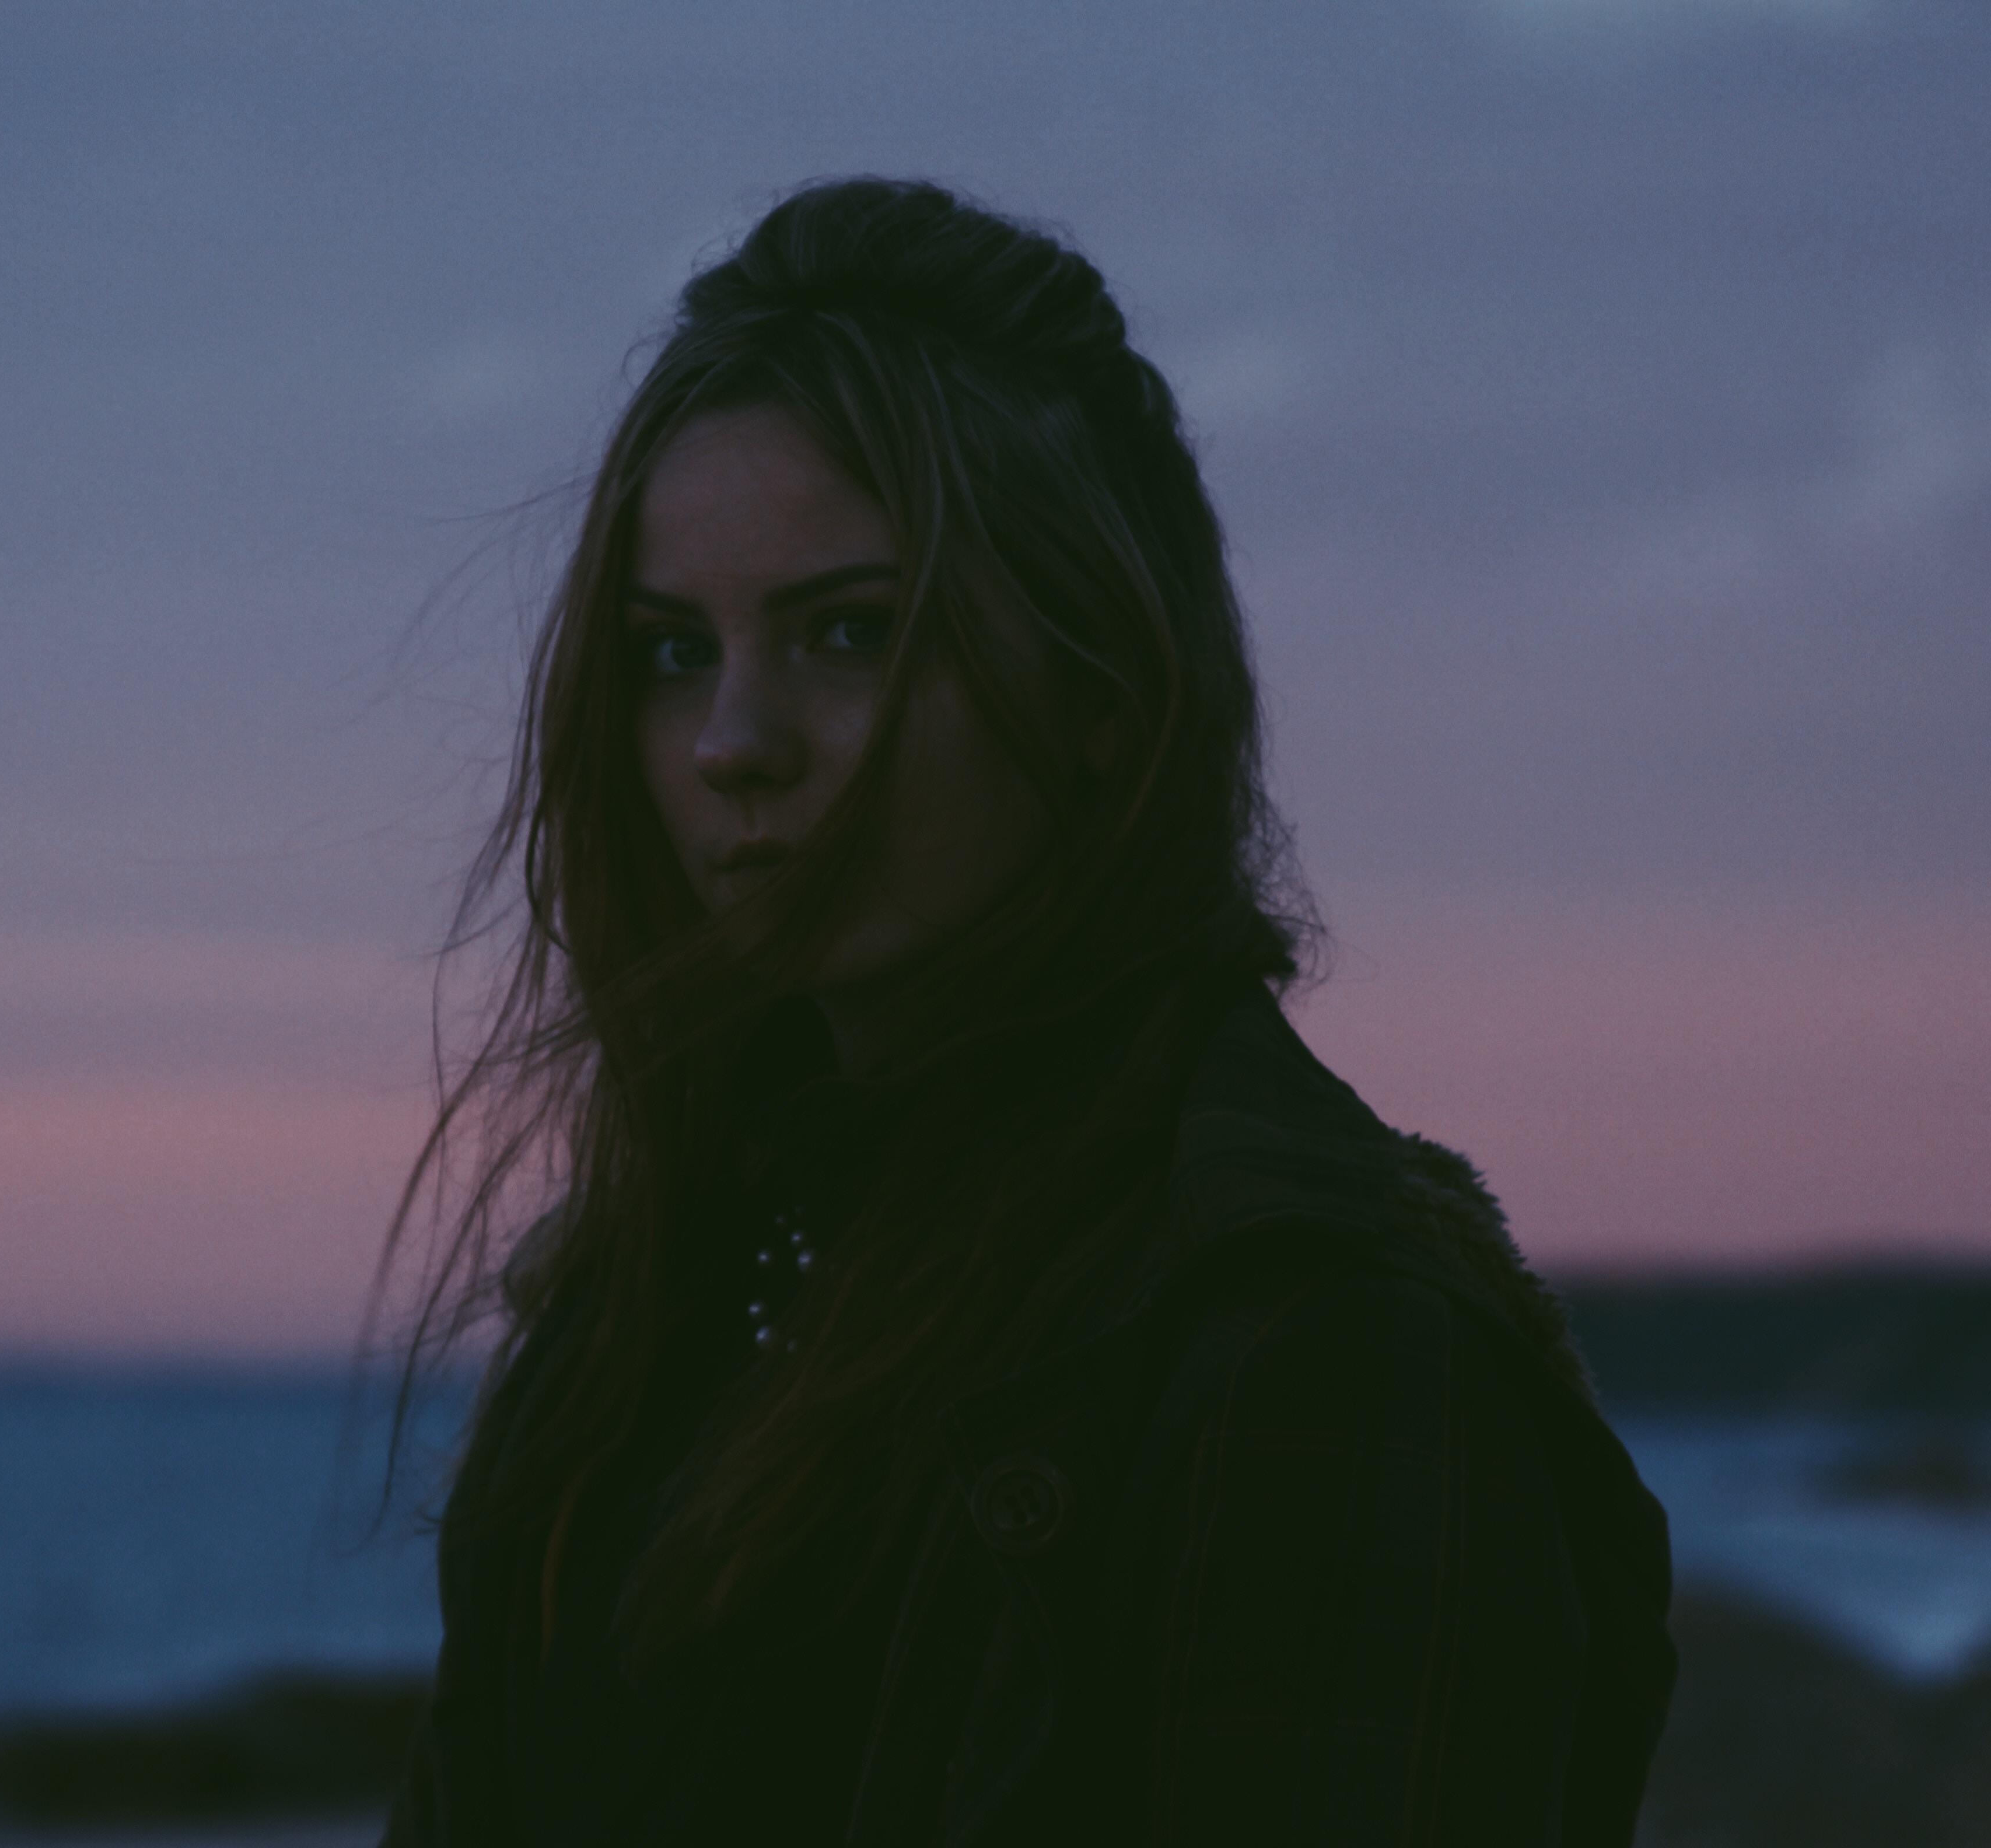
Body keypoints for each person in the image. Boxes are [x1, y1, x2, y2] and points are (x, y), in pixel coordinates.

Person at [376, 177, 1675, 1845]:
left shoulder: (1320, 1350)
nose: (733, 744)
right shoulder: (641, 1325)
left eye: (849, 633)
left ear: (1104, 697)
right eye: (671, 652)